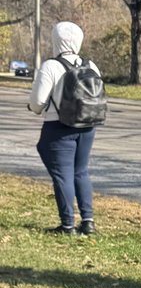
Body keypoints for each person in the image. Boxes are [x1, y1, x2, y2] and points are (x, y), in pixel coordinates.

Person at [28, 21, 99, 235]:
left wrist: (35, 108)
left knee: (62, 175)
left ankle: (67, 225)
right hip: (88, 126)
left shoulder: (51, 66)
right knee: (81, 172)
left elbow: (38, 102)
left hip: (58, 127)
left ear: (56, 41)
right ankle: (88, 221)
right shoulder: (91, 65)